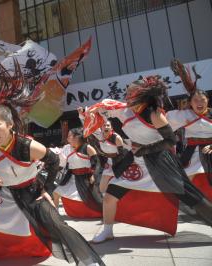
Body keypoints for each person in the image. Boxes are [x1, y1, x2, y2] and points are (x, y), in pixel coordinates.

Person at [0, 103, 104, 266]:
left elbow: (54, 161)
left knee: (56, 224)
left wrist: (47, 189)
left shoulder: (27, 145)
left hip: (31, 191)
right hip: (3, 194)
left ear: (9, 124)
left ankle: (88, 261)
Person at [87, 75, 212, 244]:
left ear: (141, 94)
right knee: (110, 195)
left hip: (160, 160)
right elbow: (100, 109)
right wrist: (87, 114)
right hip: (136, 161)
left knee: (189, 196)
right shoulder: (122, 109)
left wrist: (145, 149)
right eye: (127, 91)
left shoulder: (154, 114)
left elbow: (170, 140)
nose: (127, 94)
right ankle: (108, 230)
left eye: (131, 92)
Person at [167, 59, 212, 200]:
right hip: (191, 151)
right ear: (190, 102)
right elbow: (164, 123)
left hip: (210, 149)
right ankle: (195, 206)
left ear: (207, 101)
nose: (199, 103)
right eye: (196, 100)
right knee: (184, 180)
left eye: (202, 100)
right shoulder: (184, 115)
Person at [52, 128, 102, 218]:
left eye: (69, 136)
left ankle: (105, 212)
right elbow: (60, 158)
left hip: (86, 178)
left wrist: (93, 176)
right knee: (56, 191)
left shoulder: (88, 148)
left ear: (76, 137)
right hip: (72, 178)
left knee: (95, 200)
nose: (67, 139)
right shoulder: (67, 148)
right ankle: (56, 215)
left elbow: (96, 164)